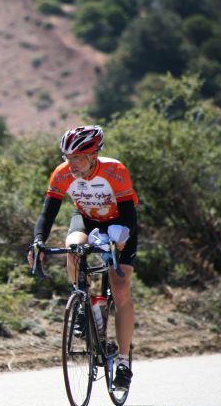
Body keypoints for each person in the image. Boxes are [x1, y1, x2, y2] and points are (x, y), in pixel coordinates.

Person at [27, 125, 138, 390]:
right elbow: (48, 212)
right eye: (67, 157)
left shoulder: (115, 171)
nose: (71, 164)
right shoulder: (62, 173)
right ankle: (82, 302)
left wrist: (119, 240)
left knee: (120, 287)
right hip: (87, 220)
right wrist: (38, 242)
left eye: (76, 157)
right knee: (73, 247)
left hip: (119, 222)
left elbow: (129, 215)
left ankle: (122, 362)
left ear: (93, 155)